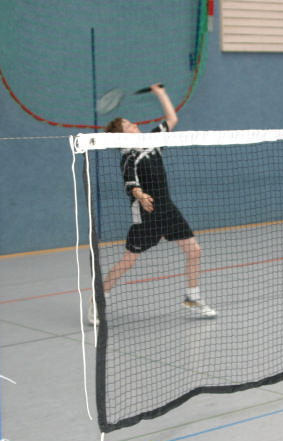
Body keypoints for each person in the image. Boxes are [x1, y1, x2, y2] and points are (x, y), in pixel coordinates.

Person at [88, 83, 216, 325]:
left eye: (131, 122)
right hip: (147, 216)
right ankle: (98, 300)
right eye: (128, 125)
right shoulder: (129, 157)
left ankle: (192, 297)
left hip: (167, 209)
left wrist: (161, 93)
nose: (134, 125)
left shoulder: (152, 141)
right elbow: (130, 183)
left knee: (194, 251)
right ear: (121, 135)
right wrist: (141, 195)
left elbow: (172, 119)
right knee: (128, 261)